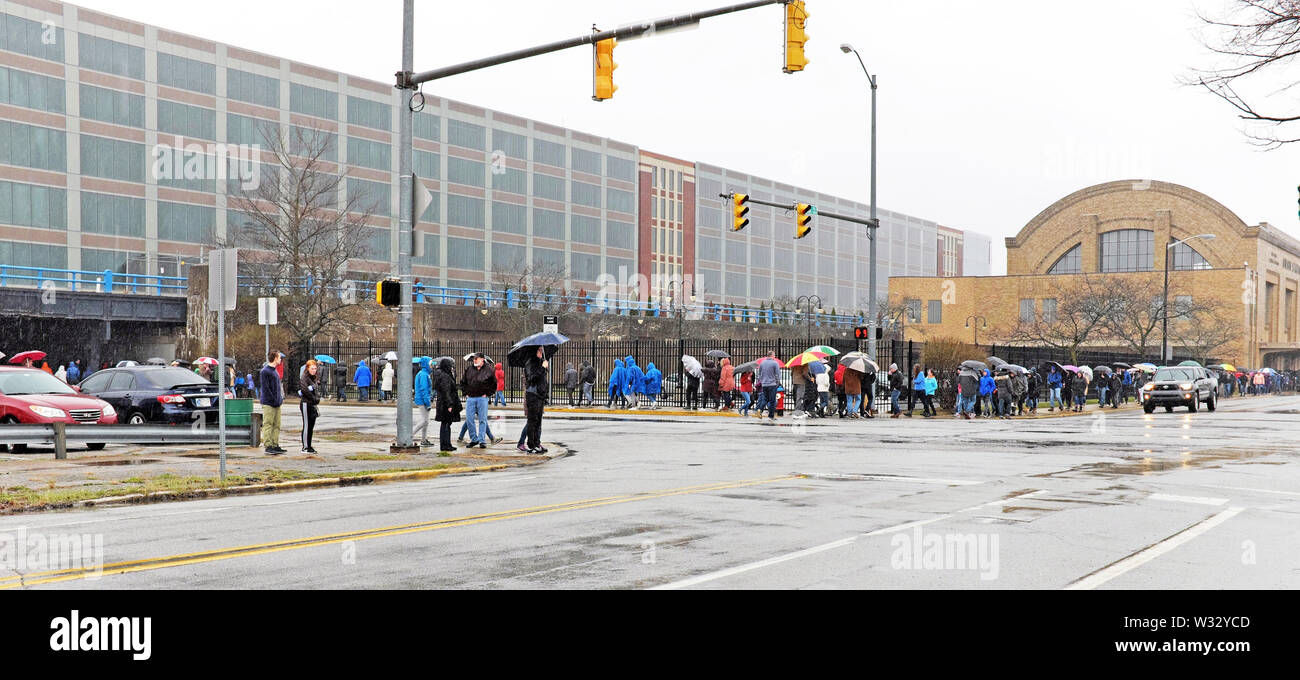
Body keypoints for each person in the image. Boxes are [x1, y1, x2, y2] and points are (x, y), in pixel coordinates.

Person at [460, 353, 495, 448]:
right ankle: (474, 439)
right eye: (474, 358)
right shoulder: (469, 369)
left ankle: (482, 440)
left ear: (482, 359)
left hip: (482, 398)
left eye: (477, 358)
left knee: (482, 420)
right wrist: (465, 393)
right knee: (469, 419)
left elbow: (493, 384)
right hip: (470, 398)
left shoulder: (489, 370)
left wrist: (487, 394)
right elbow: (463, 382)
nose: (475, 360)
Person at [521, 347, 549, 454]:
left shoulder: (540, 362)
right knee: (532, 421)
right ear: (535, 351)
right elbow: (532, 378)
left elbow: (542, 380)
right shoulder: (530, 363)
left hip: (540, 395)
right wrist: (542, 368)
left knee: (538, 421)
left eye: (542, 350)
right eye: (539, 350)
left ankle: (537, 443)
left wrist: (544, 366)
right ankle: (531, 445)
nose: (542, 352)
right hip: (533, 395)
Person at [431, 357, 462, 452]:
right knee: (446, 424)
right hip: (445, 404)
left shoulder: (441, 375)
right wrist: (450, 405)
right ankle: (446, 444)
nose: (452, 368)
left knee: (445, 424)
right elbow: (447, 391)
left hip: (442, 403)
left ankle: (445, 444)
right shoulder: (445, 376)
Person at [259, 351, 285, 455]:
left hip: (276, 402)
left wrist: (279, 399)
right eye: (279, 357)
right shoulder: (265, 371)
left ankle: (275, 444)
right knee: (268, 424)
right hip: (269, 403)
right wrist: (273, 399)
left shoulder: (274, 371)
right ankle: (268, 445)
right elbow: (266, 388)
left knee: (277, 424)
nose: (280, 359)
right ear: (274, 358)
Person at [297, 359, 321, 453]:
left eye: (315, 368)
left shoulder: (313, 378)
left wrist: (317, 398)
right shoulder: (304, 377)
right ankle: (305, 447)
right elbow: (304, 390)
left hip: (312, 404)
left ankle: (309, 445)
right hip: (306, 403)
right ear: (307, 368)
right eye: (312, 368)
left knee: (311, 425)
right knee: (307, 425)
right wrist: (313, 398)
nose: (314, 370)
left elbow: (316, 390)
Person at [414, 357, 433, 447]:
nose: (432, 365)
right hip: (422, 400)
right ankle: (409, 435)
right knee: (425, 421)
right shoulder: (424, 374)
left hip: (422, 399)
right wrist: (428, 402)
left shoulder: (423, 373)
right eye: (430, 363)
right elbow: (424, 389)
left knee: (426, 421)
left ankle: (424, 439)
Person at [756, 351, 781, 421]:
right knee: (772, 401)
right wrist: (777, 382)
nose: (775, 357)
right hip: (772, 384)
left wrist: (762, 381)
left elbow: (759, 374)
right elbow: (778, 375)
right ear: (772, 356)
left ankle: (760, 410)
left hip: (764, 384)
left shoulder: (762, 363)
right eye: (774, 356)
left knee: (765, 399)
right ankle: (771, 416)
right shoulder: (775, 363)